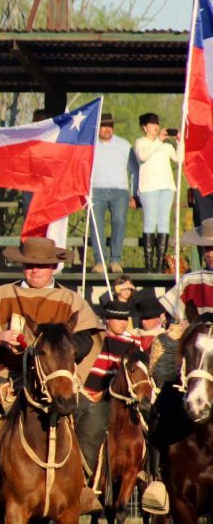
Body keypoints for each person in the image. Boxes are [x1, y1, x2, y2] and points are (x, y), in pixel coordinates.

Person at [0, 237, 104, 516]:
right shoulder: (1, 296)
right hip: (8, 372)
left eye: (41, 265)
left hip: (57, 376)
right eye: (29, 265)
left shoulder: (71, 300)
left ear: (54, 266)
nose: (34, 271)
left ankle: (82, 483)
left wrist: (67, 345)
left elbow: (88, 339)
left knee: (94, 415)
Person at [140, 219, 213, 514]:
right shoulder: (189, 280)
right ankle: (158, 480)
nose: (210, 252)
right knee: (162, 407)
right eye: (206, 247)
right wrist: (179, 327)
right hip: (196, 363)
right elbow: (174, 319)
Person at [89, 112, 137, 274]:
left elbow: (134, 170)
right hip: (96, 190)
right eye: (104, 125)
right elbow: (81, 168)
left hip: (120, 192)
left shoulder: (125, 145)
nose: (107, 129)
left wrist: (134, 193)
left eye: (110, 126)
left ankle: (115, 260)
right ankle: (99, 261)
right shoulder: (90, 145)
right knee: (96, 226)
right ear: (98, 127)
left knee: (119, 222)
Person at [134, 113, 178, 272]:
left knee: (163, 223)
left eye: (157, 123)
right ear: (144, 127)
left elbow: (179, 158)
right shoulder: (141, 142)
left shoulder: (166, 146)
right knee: (150, 222)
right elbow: (143, 156)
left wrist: (179, 141)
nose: (156, 126)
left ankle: (160, 263)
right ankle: (148, 264)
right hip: (149, 188)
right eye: (152, 123)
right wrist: (158, 140)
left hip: (167, 187)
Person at [82, 301, 142, 402]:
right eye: (118, 318)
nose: (124, 323)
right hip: (85, 397)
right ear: (107, 319)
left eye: (125, 319)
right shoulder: (94, 337)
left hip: (117, 399)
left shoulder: (133, 342)